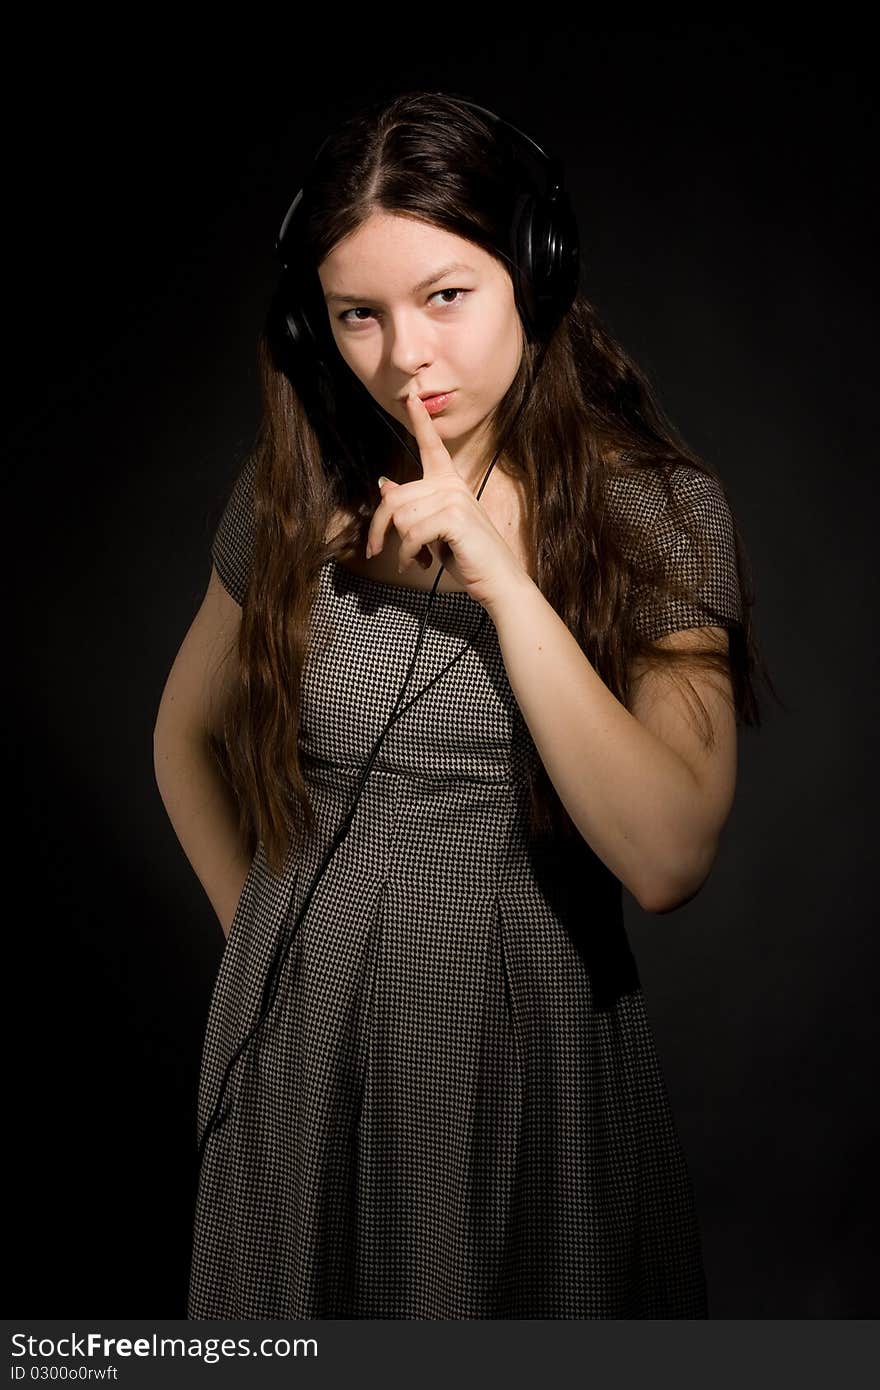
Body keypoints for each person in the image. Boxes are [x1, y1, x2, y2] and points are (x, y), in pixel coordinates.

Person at [154, 90, 774, 1320]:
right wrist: (268, 957)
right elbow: (185, 738)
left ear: (532, 273)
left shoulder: (657, 513)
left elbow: (666, 855)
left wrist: (502, 578)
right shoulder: (296, 490)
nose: (404, 357)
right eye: (357, 316)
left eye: (446, 295)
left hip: (521, 1052)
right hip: (300, 1055)